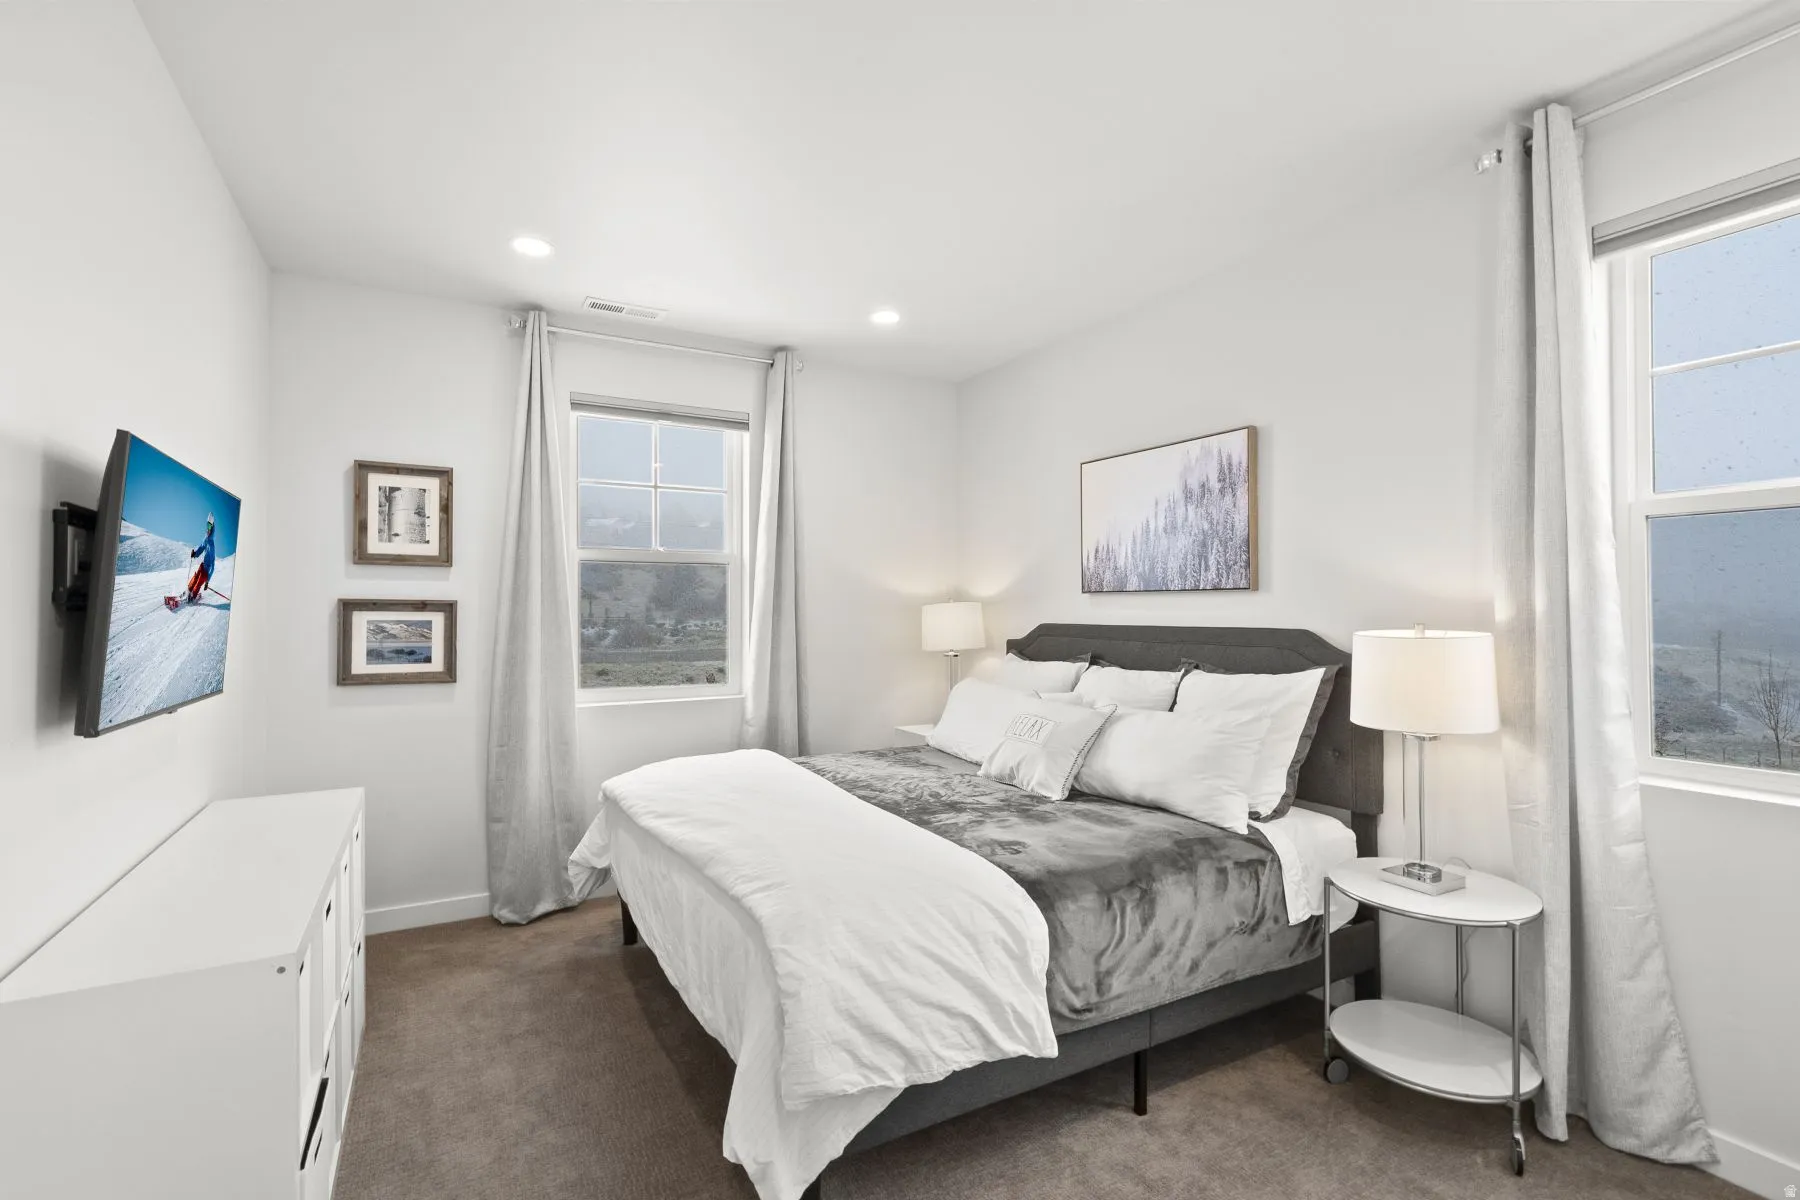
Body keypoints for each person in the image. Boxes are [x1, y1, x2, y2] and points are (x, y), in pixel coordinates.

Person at [186, 513, 216, 604]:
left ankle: (192, 596)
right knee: (195, 578)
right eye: (207, 525)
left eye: (210, 526)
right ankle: (188, 590)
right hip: (202, 565)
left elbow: (213, 565)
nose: (208, 528)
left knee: (199, 583)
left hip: (206, 572)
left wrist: (207, 581)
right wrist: (195, 554)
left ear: (213, 526)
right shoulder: (206, 539)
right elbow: (202, 547)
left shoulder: (211, 544)